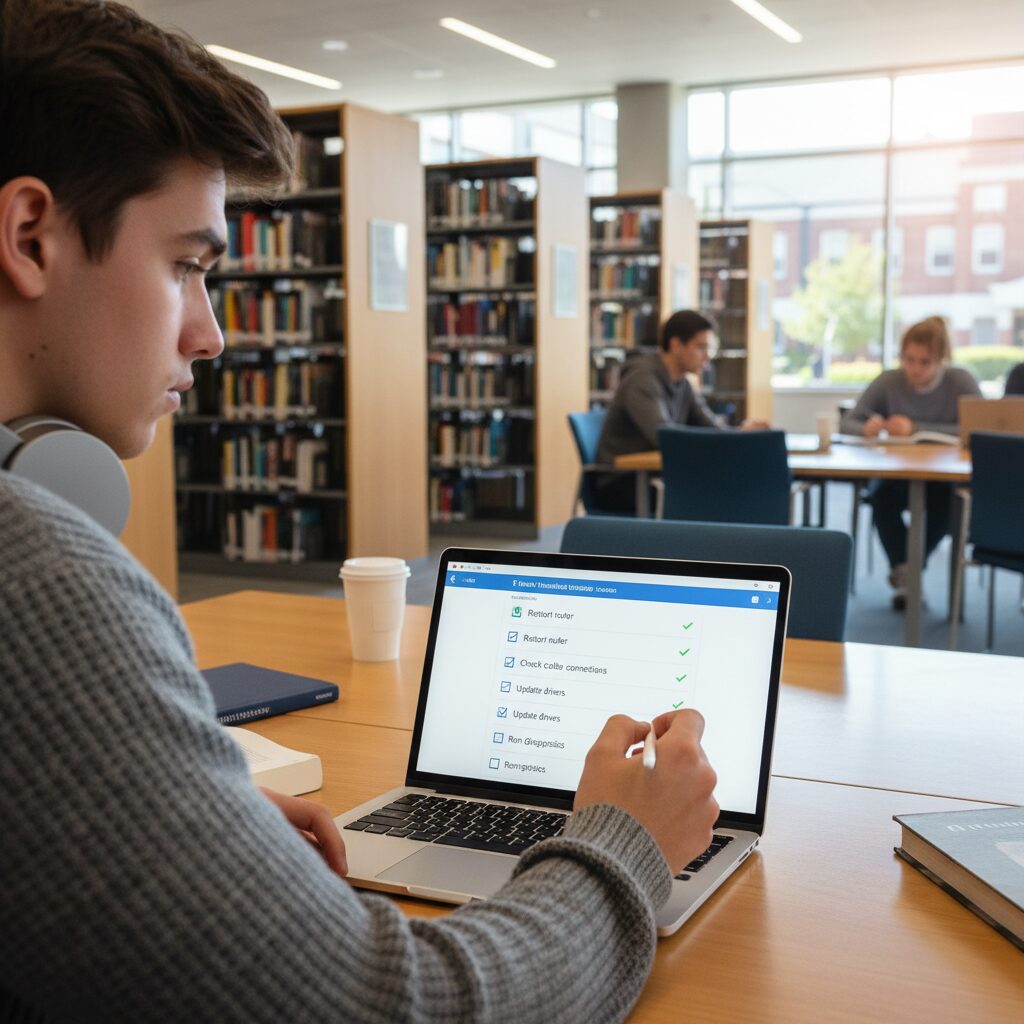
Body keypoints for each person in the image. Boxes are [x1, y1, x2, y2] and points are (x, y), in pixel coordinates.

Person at [0, 2, 719, 1021]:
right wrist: (623, 842)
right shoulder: (36, 581)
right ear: (30, 234)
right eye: (188, 266)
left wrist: (152, 816)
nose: (210, 336)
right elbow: (397, 1007)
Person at [840, 316, 981, 608]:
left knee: (947, 507)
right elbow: (849, 421)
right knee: (880, 497)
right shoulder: (889, 381)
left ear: (941, 359)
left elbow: (977, 428)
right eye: (908, 359)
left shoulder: (960, 381)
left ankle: (907, 570)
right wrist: (866, 428)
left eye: (924, 362)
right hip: (895, 474)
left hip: (943, 477)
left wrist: (915, 427)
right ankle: (908, 571)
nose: (914, 369)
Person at [594, 309, 769, 513]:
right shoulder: (642, 380)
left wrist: (740, 434)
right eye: (701, 347)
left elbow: (709, 425)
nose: (707, 357)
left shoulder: (682, 384)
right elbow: (665, 437)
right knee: (720, 493)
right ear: (676, 345)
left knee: (732, 488)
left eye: (709, 348)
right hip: (623, 483)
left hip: (659, 476)